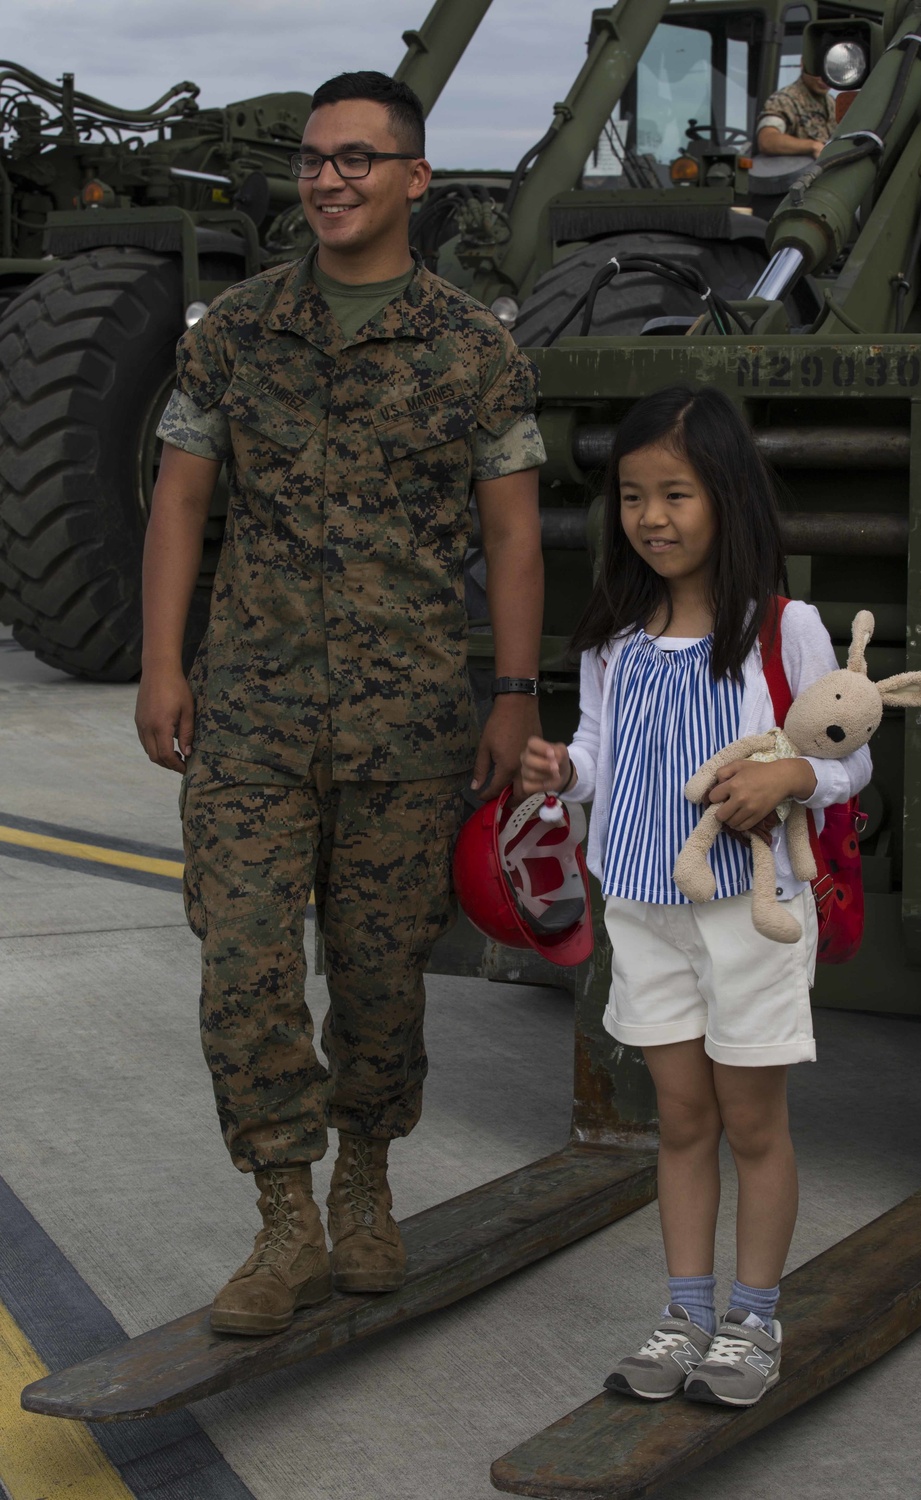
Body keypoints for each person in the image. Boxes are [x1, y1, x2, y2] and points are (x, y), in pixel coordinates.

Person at [135, 71, 546, 1335]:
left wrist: (515, 695)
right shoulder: (234, 334)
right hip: (251, 712)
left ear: (415, 180)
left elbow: (514, 537)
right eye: (314, 160)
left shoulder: (474, 349)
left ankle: (365, 1184)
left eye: (358, 159)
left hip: (408, 721)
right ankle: (285, 1218)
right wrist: (162, 662)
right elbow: (182, 504)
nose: (328, 179)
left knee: (380, 980)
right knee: (245, 966)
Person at [519, 386, 870, 1407]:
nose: (653, 517)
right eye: (632, 496)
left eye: (675, 493)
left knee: (751, 1121)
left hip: (747, 910)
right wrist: (564, 774)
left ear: (725, 496)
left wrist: (794, 778)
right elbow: (597, 751)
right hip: (640, 906)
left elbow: (846, 761)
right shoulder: (610, 637)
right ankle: (684, 1315)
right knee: (678, 1120)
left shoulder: (784, 629)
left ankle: (753, 1320)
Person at [756, 70, 835, 159]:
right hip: (798, 171)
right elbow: (767, 140)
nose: (824, 78)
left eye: (832, 70)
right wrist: (813, 146)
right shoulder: (785, 100)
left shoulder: (833, 104)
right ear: (804, 63)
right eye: (818, 69)